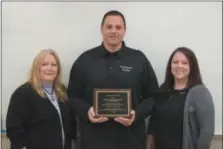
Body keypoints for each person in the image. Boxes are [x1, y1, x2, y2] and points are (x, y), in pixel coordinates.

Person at [67, 10, 159, 149]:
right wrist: (87, 112)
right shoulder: (85, 60)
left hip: (131, 140)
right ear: (101, 29)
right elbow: (73, 96)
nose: (113, 31)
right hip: (93, 141)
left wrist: (136, 114)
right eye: (109, 27)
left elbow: (153, 97)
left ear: (124, 30)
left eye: (118, 27)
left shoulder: (138, 59)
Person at [6, 49, 75, 149]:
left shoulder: (62, 92)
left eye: (54, 65)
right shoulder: (23, 93)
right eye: (45, 64)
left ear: (58, 69)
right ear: (37, 68)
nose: (49, 68)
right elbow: (14, 129)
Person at [147, 47, 215, 149]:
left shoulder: (200, 93)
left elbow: (207, 131)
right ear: (170, 65)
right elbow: (152, 126)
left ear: (192, 67)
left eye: (184, 63)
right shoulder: (162, 91)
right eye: (175, 62)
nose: (179, 66)